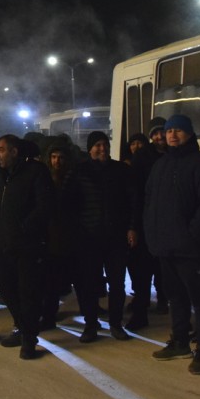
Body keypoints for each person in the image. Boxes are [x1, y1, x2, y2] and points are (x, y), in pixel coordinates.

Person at [143, 115, 200, 375]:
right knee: (175, 297)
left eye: (178, 130)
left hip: (189, 247)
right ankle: (180, 342)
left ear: (189, 133)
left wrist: (192, 234)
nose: (172, 135)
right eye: (169, 131)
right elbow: (150, 202)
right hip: (165, 245)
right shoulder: (161, 165)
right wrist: (152, 233)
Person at [0, 135, 54, 360]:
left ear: (14, 152)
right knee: (6, 288)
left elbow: (45, 206)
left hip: (28, 245)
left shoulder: (35, 172)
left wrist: (24, 228)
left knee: (28, 293)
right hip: (5, 244)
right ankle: (23, 328)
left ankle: (29, 340)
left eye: (1, 150)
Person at [64, 131, 134, 343]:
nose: (102, 149)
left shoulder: (121, 170)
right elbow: (68, 205)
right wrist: (76, 231)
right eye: (97, 145)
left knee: (117, 283)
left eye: (105, 144)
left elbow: (132, 202)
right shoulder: (79, 172)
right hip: (88, 238)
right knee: (89, 283)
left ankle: (115, 324)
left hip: (115, 237)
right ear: (90, 149)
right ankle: (90, 324)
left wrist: (131, 227)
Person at [126, 117, 169, 329]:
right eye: (155, 133)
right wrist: (134, 226)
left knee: (168, 269)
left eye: (162, 132)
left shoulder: (177, 153)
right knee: (143, 270)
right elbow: (135, 194)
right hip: (147, 221)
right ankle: (140, 312)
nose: (159, 136)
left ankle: (165, 301)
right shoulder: (142, 157)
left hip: (171, 222)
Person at [40, 140, 76, 331]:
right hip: (49, 236)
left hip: (68, 235)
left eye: (60, 158)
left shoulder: (72, 179)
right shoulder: (44, 179)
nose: (57, 161)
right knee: (49, 281)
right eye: (54, 157)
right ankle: (48, 315)